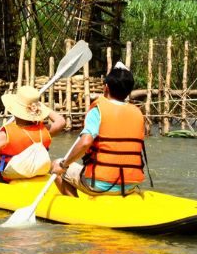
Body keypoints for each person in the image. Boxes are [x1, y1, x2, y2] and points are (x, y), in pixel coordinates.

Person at [50, 62, 147, 197]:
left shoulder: (98, 110)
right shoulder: (138, 113)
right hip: (130, 184)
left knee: (56, 164)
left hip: (99, 184)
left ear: (105, 87)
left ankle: (75, 206)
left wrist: (63, 165)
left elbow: (85, 142)